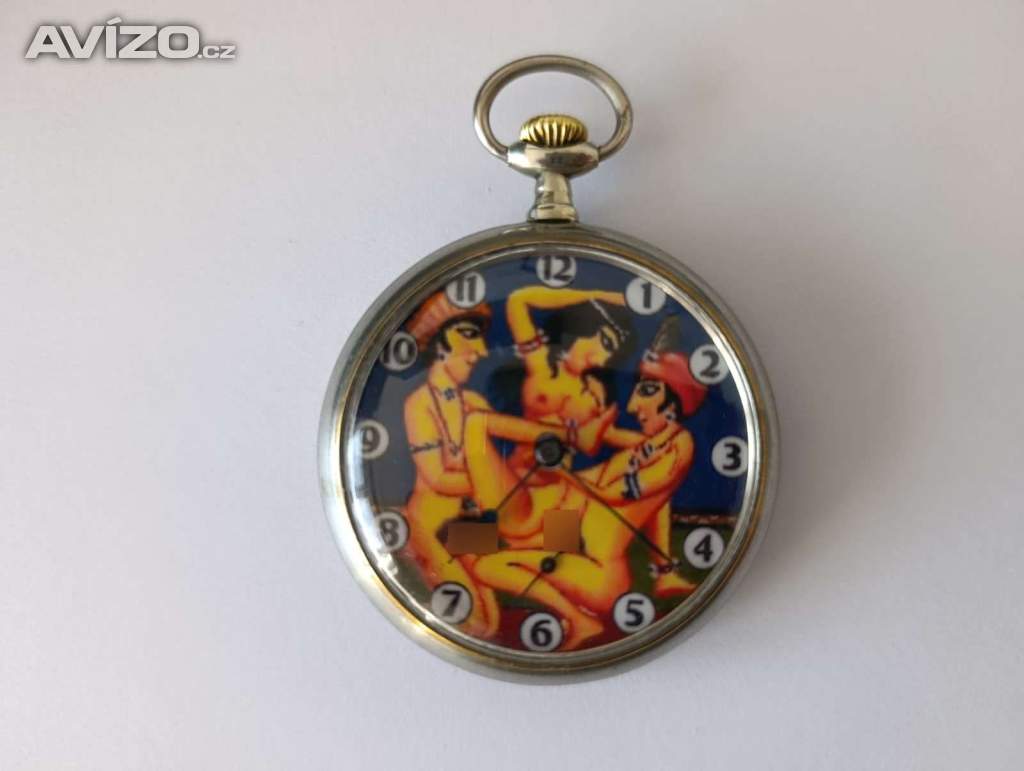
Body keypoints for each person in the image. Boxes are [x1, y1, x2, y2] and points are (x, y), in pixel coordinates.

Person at [468, 317, 708, 650]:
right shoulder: (646, 450)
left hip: (590, 566)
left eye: (646, 391)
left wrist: (560, 463)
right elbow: (654, 498)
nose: (633, 406)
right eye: (602, 343)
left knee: (486, 562)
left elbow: (616, 492)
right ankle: (486, 602)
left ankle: (580, 620)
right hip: (553, 524)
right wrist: (663, 568)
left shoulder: (674, 449)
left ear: (670, 403)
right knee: (463, 542)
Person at [401, 291, 499, 638]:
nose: (482, 351)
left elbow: (490, 464)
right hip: (429, 526)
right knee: (476, 623)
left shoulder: (475, 402)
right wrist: (494, 484)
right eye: (469, 335)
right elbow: (439, 478)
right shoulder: (419, 404)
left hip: (469, 524)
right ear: (439, 342)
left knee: (492, 621)